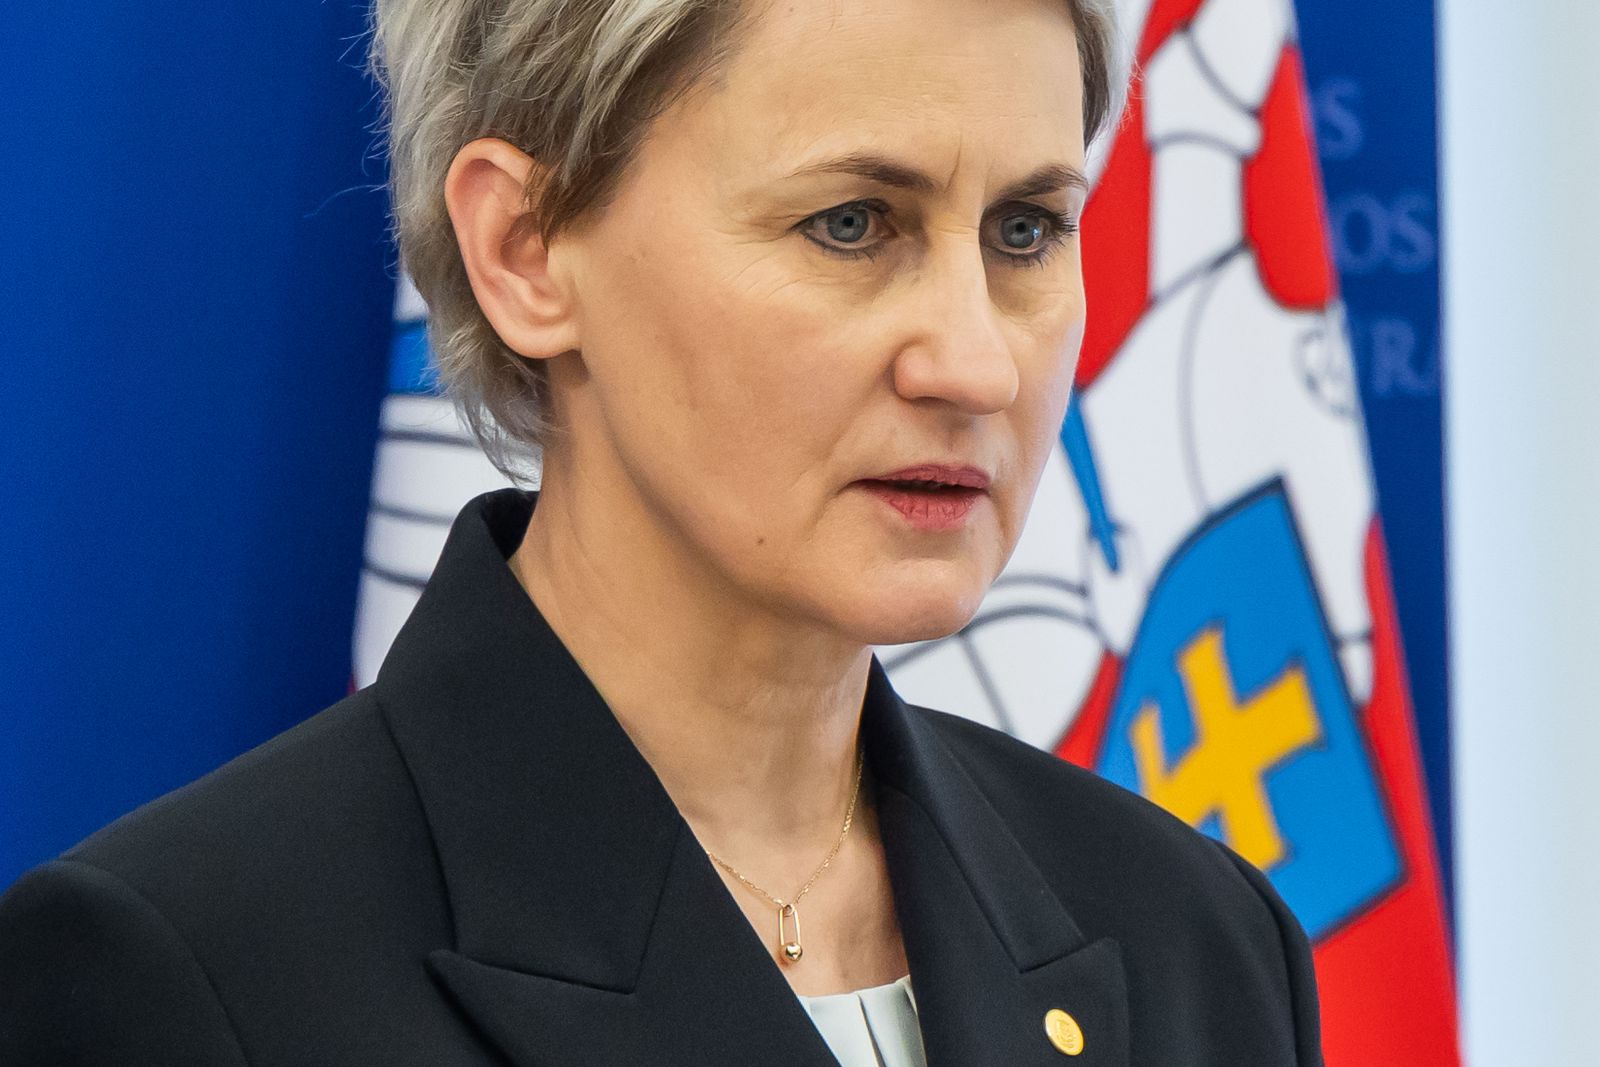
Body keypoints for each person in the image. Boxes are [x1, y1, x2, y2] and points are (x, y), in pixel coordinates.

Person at [0, 0, 1325, 1063]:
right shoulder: (191, 977)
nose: (977, 364)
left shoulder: (1197, 938)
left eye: (1025, 231)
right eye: (851, 225)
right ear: (524, 250)